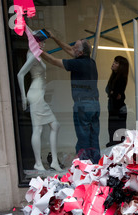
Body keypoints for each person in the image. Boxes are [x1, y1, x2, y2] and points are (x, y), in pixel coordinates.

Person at [40, 32, 101, 163]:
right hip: (95, 105)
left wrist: (37, 51)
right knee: (93, 137)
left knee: (83, 138)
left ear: (80, 53)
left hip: (83, 105)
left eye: (75, 47)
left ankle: (84, 165)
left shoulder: (77, 64)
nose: (72, 49)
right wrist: (54, 36)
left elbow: (53, 61)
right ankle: (95, 165)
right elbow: (68, 49)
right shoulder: (90, 62)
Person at [17, 31, 62, 171]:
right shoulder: (32, 55)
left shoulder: (36, 54)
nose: (43, 43)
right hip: (35, 95)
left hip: (38, 94)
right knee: (39, 128)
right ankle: (38, 163)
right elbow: (20, 74)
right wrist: (23, 97)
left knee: (53, 125)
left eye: (43, 41)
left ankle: (53, 161)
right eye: (41, 41)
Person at [105, 56, 129, 147]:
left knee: (117, 135)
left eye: (116, 63)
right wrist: (112, 93)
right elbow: (110, 92)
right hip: (114, 109)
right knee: (113, 134)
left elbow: (116, 95)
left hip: (118, 109)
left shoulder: (121, 79)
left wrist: (112, 93)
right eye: (114, 61)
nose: (113, 64)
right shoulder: (114, 77)